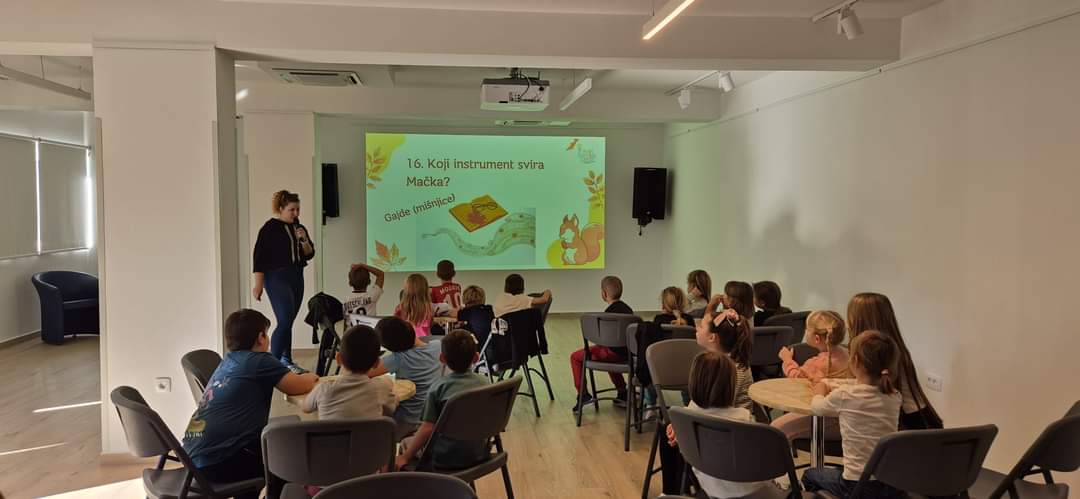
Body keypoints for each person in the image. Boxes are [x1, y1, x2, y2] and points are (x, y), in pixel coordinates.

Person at [182, 309, 318, 499]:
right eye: (267, 334)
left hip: (193, 458)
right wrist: (312, 376)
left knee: (267, 448)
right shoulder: (260, 360)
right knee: (287, 461)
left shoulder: (229, 360)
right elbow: (297, 386)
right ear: (261, 338)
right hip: (219, 460)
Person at [801, 331, 904, 498]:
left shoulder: (844, 396)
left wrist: (819, 391)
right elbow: (858, 386)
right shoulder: (894, 396)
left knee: (810, 475)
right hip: (889, 483)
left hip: (856, 484)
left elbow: (817, 408)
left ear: (854, 361)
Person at [666, 352, 771, 498]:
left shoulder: (684, 419)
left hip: (712, 489)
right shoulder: (744, 420)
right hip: (752, 492)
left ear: (693, 381)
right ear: (731, 385)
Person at [396, 330, 490, 471]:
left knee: (405, 443)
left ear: (442, 359)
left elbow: (427, 428)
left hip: (445, 457)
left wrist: (405, 457)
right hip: (479, 452)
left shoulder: (438, 388)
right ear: (476, 358)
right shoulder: (485, 383)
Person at [847, 292, 943, 429]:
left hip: (910, 425)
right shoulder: (893, 347)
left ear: (859, 320)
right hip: (921, 420)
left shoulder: (879, 353)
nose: (848, 322)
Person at [251, 189, 315, 373]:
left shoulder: (299, 228)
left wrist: (304, 240)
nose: (295, 213)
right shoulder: (269, 228)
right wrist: (258, 284)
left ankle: (287, 361)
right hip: (277, 277)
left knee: (289, 321)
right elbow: (259, 258)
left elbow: (309, 253)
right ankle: (272, 366)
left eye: (298, 209)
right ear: (280, 209)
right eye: (291, 210)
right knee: (285, 320)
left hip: (296, 276)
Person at [772, 310, 851, 442]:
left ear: (816, 339)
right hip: (847, 415)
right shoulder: (849, 353)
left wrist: (787, 360)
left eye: (807, 329)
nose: (805, 331)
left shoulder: (817, 364)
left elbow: (797, 377)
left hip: (828, 418)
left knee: (776, 429)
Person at [301, 325, 396, 420]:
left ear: (338, 358)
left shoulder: (323, 389)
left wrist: (313, 384)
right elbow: (391, 408)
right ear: (376, 363)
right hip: (369, 430)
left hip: (331, 430)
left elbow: (305, 408)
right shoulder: (380, 388)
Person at [371, 316, 443, 440]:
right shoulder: (438, 346)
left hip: (404, 421)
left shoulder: (399, 359)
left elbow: (365, 372)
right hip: (430, 418)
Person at [570, 275, 633, 412]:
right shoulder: (629, 311)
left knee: (575, 357)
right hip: (628, 354)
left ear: (604, 294)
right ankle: (622, 392)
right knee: (611, 353)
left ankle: (583, 394)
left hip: (612, 354)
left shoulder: (607, 314)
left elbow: (601, 340)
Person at [695, 308, 754, 412]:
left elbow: (718, 408)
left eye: (701, 326)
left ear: (712, 337)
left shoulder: (732, 369)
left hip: (732, 420)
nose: (697, 327)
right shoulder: (717, 362)